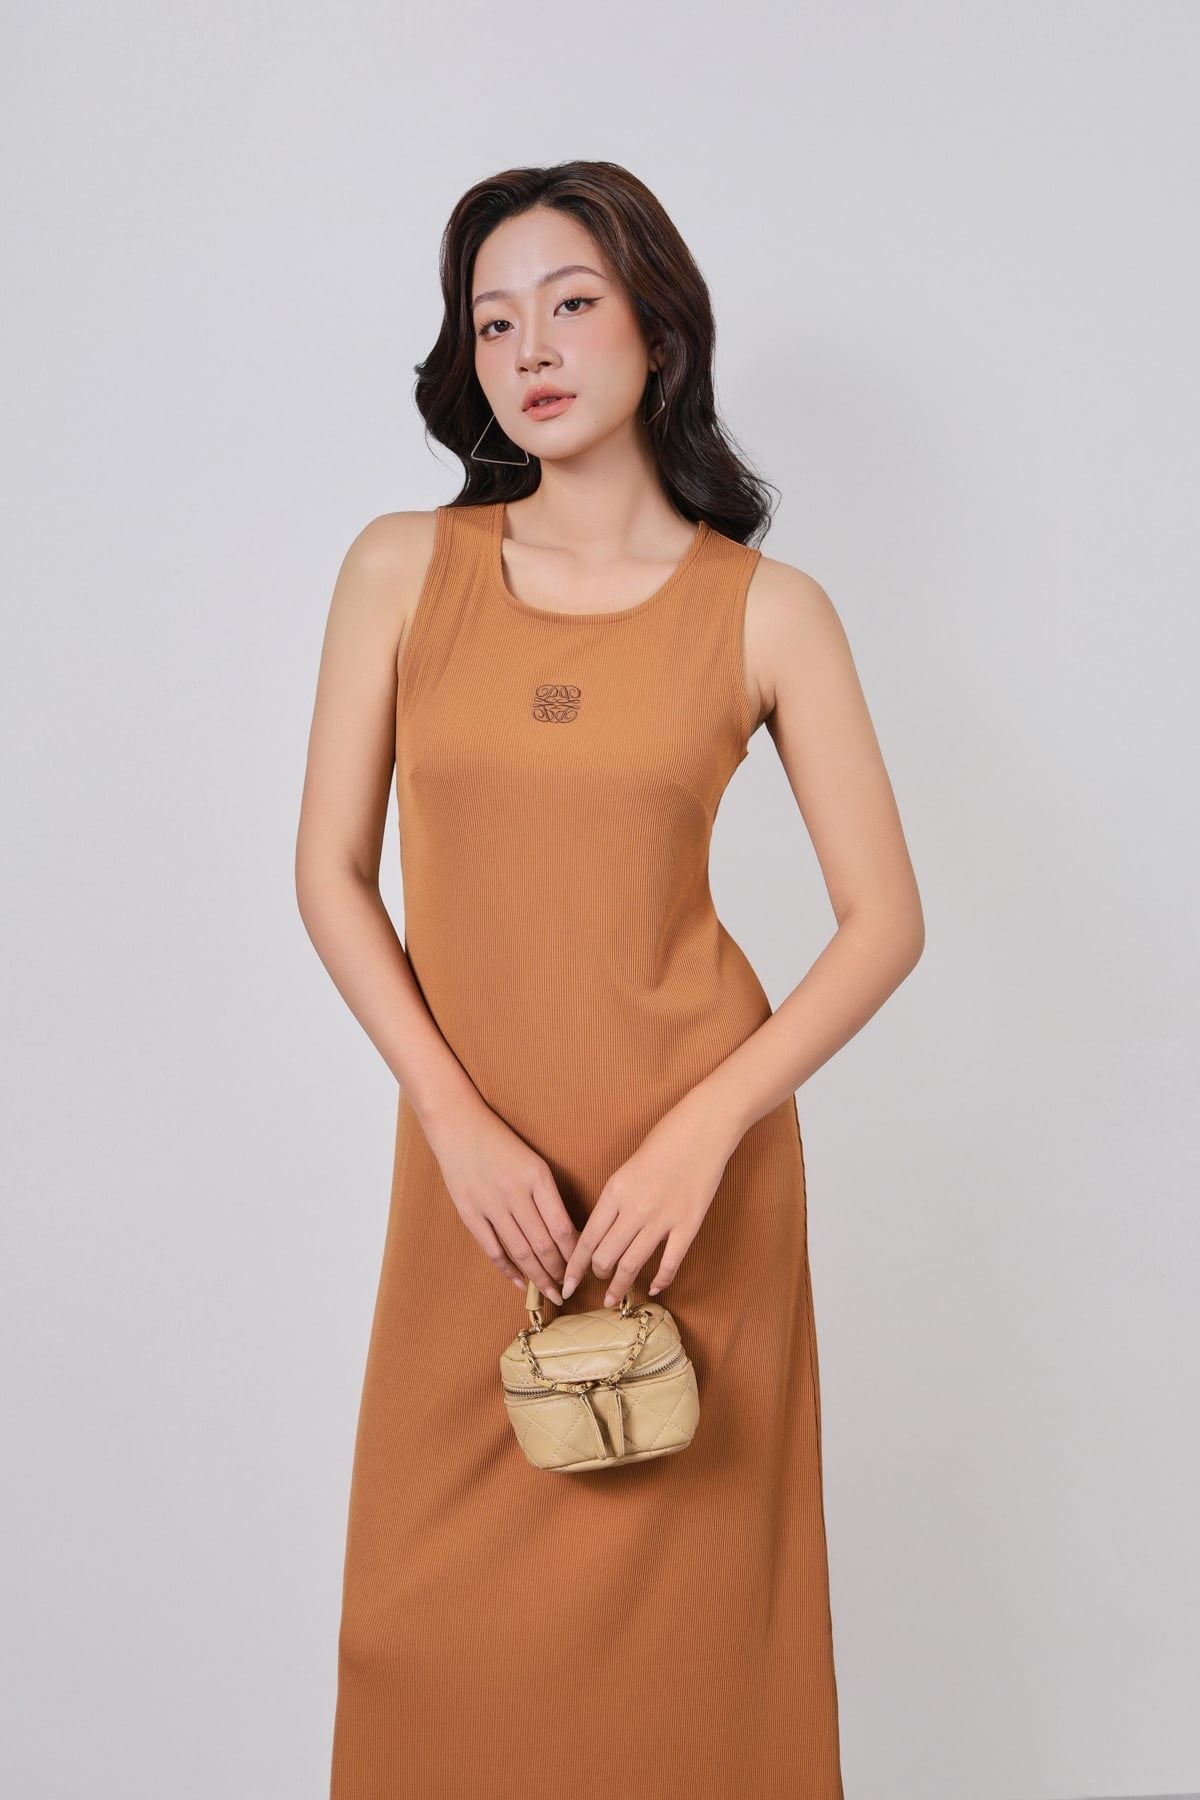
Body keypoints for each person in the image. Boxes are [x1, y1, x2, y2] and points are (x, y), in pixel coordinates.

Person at [295, 158, 924, 1800]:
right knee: (420, 1643)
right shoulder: (400, 569)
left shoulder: (769, 613)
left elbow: (883, 921)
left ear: (657, 326)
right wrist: (452, 1121)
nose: (531, 348)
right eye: (494, 320)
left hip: (683, 1198)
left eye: (570, 304)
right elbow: (330, 875)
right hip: (477, 1189)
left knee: (690, 1667)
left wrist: (703, 1137)